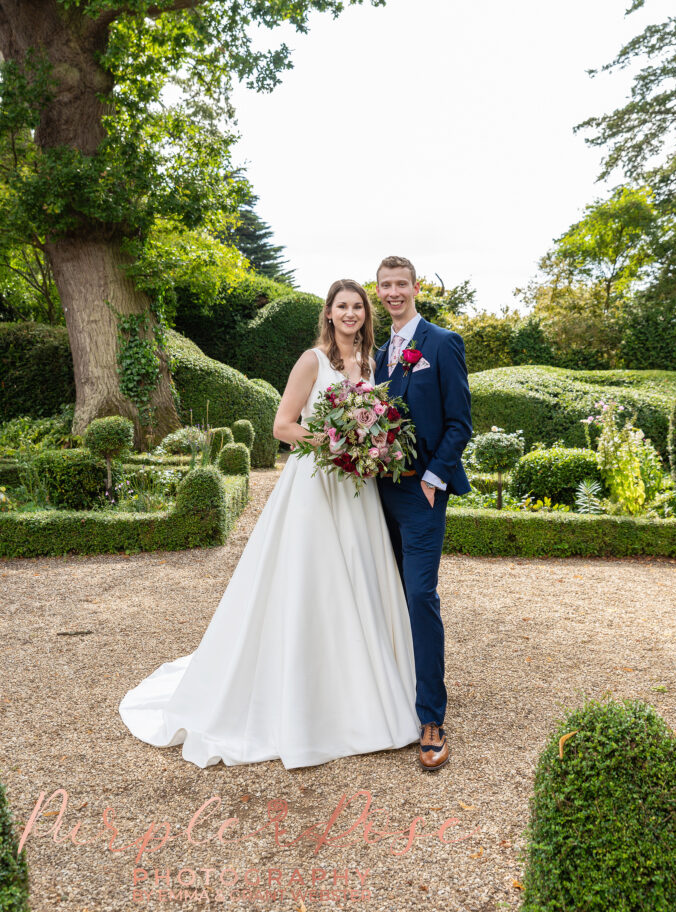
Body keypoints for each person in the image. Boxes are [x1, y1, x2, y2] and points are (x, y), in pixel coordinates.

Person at [118, 279, 420, 769]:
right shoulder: (312, 361)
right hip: (315, 485)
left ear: (367, 314)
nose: (350, 314)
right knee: (311, 582)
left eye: (357, 307)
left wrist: (370, 446)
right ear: (328, 314)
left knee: (360, 579)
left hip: (358, 491)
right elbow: (283, 426)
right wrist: (332, 443)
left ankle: (365, 689)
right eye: (341, 307)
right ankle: (301, 699)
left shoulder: (373, 365)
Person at [375, 256, 472, 770]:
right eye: (385, 286)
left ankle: (431, 716)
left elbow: (460, 422)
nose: (394, 293)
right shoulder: (374, 356)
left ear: (416, 288)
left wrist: (435, 479)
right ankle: (388, 694)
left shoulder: (441, 343)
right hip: (375, 494)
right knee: (382, 594)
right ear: (379, 290)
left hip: (421, 495)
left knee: (419, 596)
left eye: (401, 285)